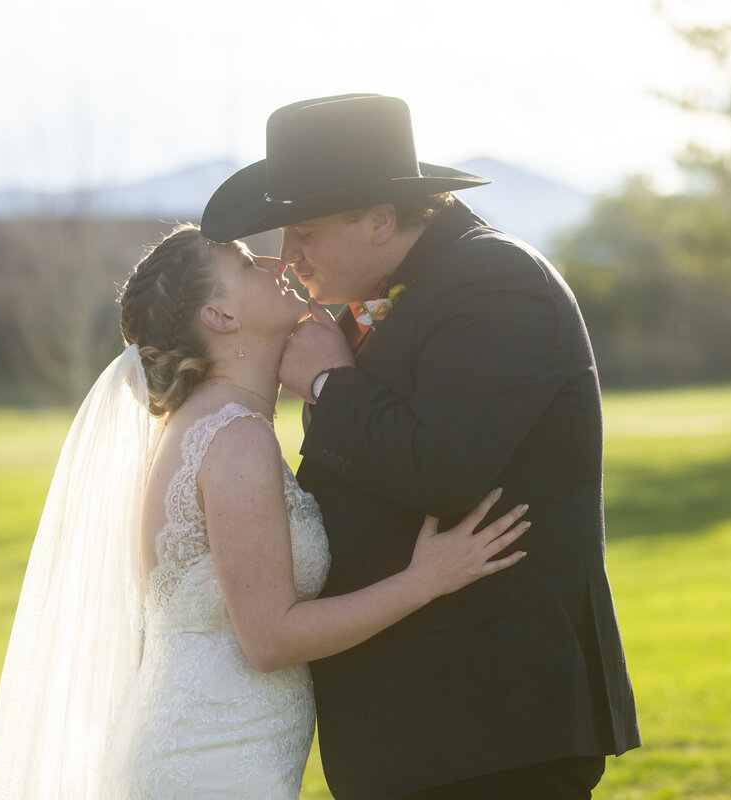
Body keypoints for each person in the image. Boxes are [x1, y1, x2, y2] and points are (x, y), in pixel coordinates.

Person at [0, 224, 531, 800]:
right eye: (245, 264)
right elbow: (269, 639)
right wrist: (425, 580)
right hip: (214, 761)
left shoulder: (204, 424)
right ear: (218, 317)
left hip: (210, 744)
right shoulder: (235, 438)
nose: (273, 261)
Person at [201, 93, 640, 800]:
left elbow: (444, 466)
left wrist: (327, 384)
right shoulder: (402, 292)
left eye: (305, 232)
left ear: (379, 220)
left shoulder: (497, 282)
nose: (289, 258)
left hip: (493, 722)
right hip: (415, 726)